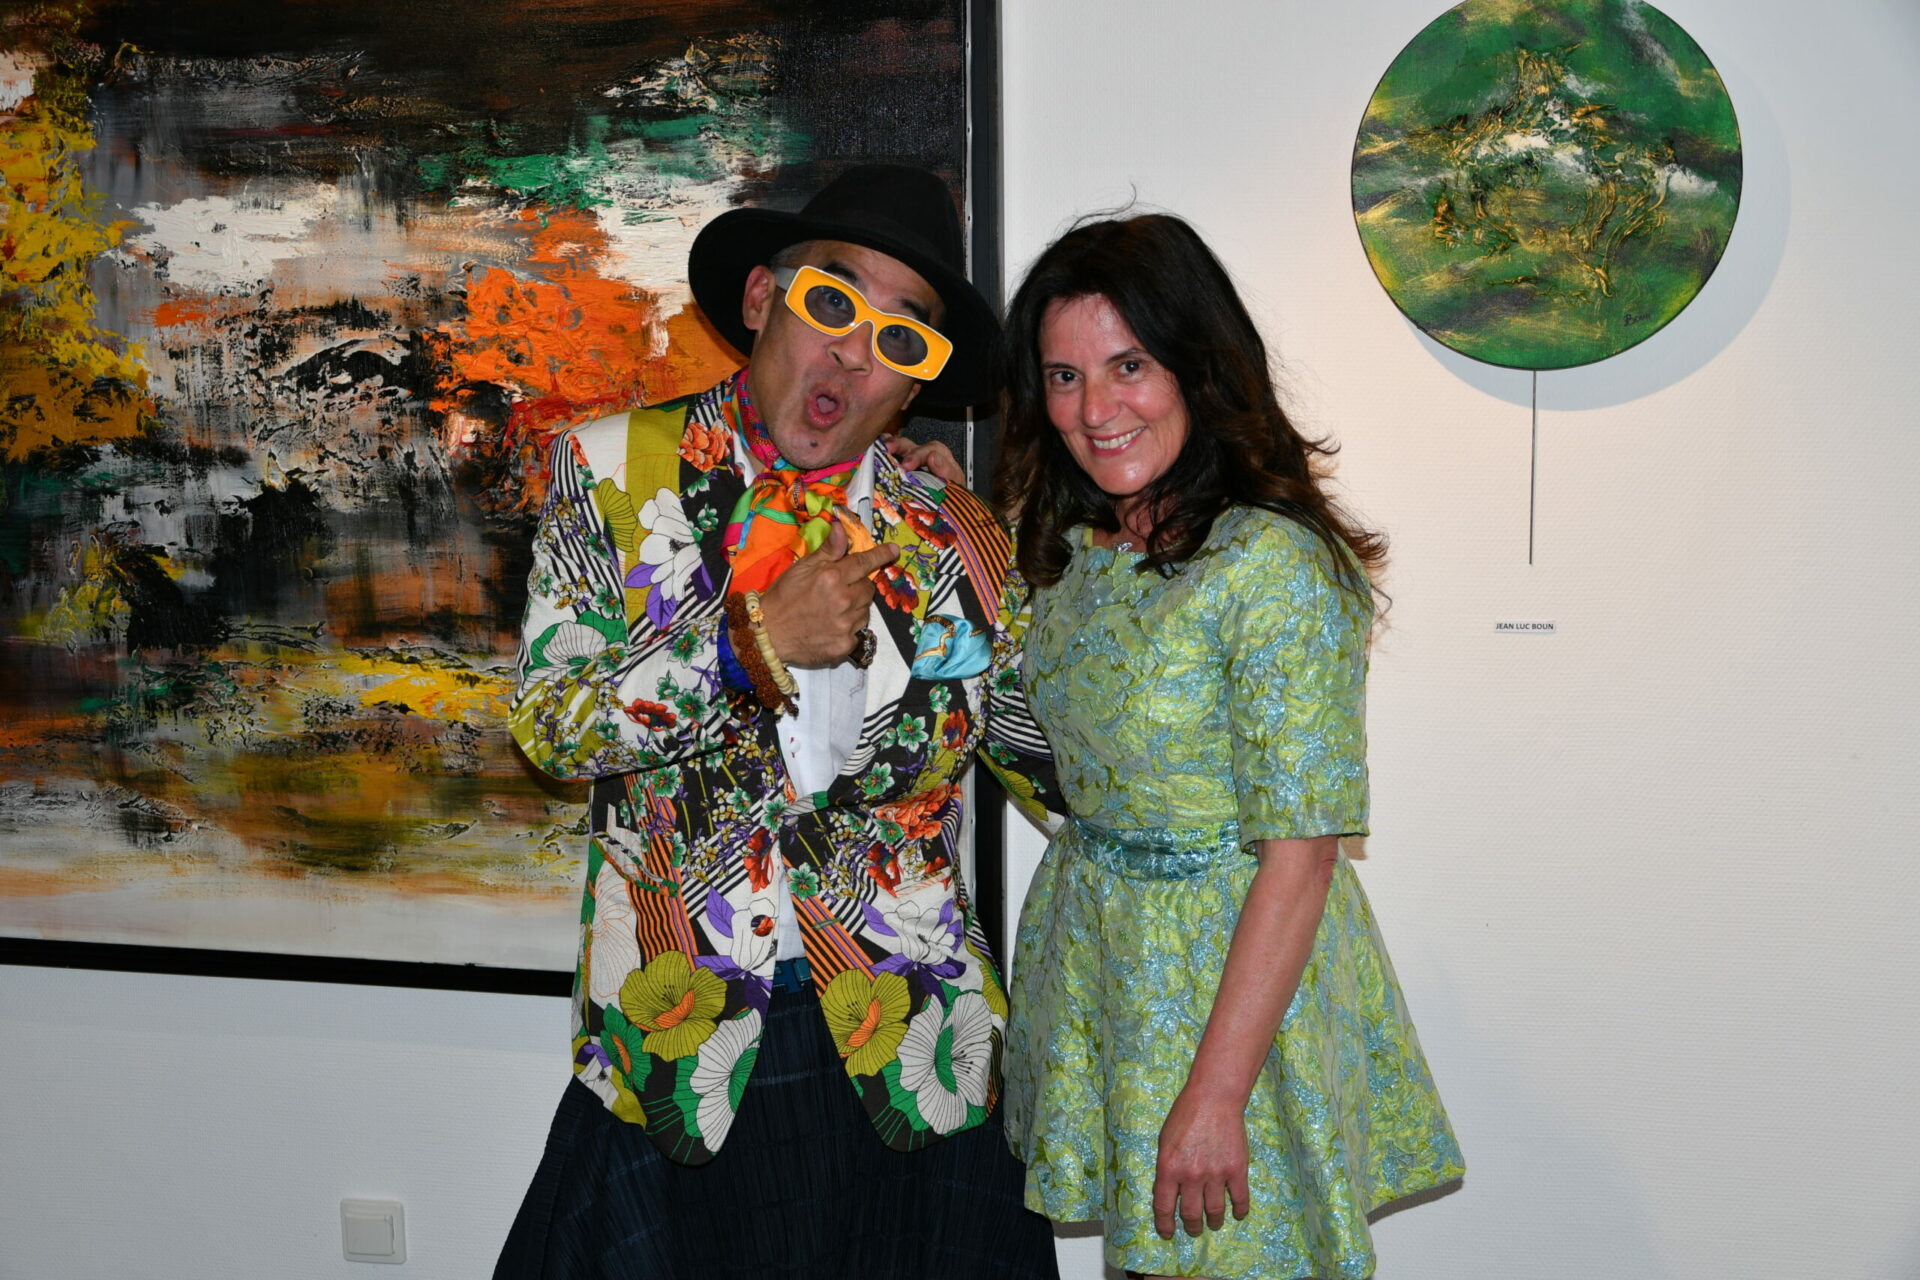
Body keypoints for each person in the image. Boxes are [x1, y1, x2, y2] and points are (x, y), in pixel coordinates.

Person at [497, 164, 1061, 1279]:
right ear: (762, 298)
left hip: (914, 1044)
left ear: (918, 381)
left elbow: (1048, 766)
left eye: (902, 337)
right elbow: (553, 726)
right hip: (685, 1044)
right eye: (833, 302)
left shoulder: (955, 527)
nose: (854, 354)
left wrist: (1087, 567)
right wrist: (743, 645)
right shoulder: (610, 472)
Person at [996, 213, 1464, 1280]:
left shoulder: (1272, 563)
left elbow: (1302, 856)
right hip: (1109, 972)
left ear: (1199, 365)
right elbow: (1047, 755)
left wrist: (1215, 1095)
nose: (1094, 409)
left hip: (1237, 999)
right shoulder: (1077, 551)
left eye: (1128, 365)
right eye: (1064, 376)